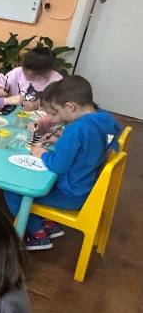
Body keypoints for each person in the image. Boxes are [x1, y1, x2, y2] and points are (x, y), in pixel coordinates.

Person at [6, 76, 121, 250]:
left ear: (70, 107)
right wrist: (61, 142)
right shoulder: (103, 118)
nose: (55, 117)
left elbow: (58, 165)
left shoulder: (75, 129)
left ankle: (37, 234)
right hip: (85, 186)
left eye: (57, 112)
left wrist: (42, 153)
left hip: (71, 194)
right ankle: (50, 224)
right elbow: (87, 148)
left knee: (14, 192)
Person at [0, 45, 63, 111]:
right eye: (25, 71)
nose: (27, 75)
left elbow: (60, 105)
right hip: (10, 113)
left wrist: (37, 105)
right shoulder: (17, 72)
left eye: (34, 75)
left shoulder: (56, 80)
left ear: (47, 71)